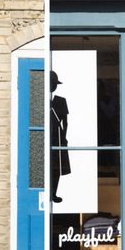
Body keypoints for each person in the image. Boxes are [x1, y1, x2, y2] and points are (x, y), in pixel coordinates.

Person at [50, 71, 71, 203]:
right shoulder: (41, 100)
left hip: (58, 135)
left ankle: (53, 193)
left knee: (57, 166)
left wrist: (63, 135)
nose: (54, 86)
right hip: (47, 135)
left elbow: (65, 121)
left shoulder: (60, 100)